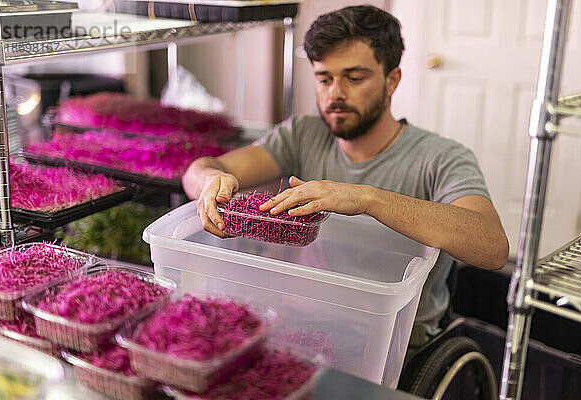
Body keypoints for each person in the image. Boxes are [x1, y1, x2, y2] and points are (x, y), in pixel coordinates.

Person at [183, 5, 509, 346]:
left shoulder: (440, 158)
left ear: (391, 81)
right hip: (307, 319)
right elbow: (198, 172)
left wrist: (367, 198)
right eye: (325, 79)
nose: (335, 93)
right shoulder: (303, 134)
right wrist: (210, 183)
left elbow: (492, 246)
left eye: (354, 78)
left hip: (392, 340)